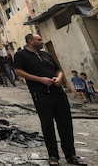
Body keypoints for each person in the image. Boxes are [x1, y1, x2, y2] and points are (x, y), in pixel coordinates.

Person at [14, 34, 86, 166]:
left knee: (65, 124)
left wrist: (58, 79)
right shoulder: (21, 55)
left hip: (58, 92)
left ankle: (71, 155)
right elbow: (18, 71)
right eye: (39, 39)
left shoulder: (46, 55)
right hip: (40, 94)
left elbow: (59, 70)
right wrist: (40, 79)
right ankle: (53, 156)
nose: (42, 41)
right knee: (48, 125)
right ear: (31, 41)